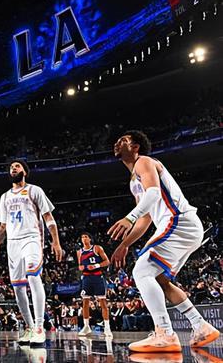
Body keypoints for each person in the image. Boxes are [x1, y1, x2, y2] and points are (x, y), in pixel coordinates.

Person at [108, 130, 220, 352]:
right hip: (181, 226)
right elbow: (146, 218)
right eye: (118, 140)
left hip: (178, 221)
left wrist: (128, 218)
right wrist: (125, 244)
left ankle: (165, 333)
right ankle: (201, 326)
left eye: (124, 141)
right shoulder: (133, 180)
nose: (118, 143)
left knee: (141, 271)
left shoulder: (144, 162)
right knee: (160, 280)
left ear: (136, 147)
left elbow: (154, 194)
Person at [0, 160, 63, 347]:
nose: (13, 168)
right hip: (13, 243)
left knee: (33, 276)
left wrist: (56, 241)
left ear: (25, 171)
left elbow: (48, 217)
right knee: (18, 288)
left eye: (17, 166)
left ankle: (39, 327)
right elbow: (3, 225)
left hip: (31, 238)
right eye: (11, 167)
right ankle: (29, 327)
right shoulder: (5, 197)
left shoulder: (34, 190)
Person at [76, 232, 113, 338]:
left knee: (103, 302)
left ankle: (107, 327)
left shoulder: (97, 248)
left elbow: (107, 261)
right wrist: (80, 268)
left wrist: (96, 265)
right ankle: (86, 326)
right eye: (82, 237)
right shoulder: (79, 252)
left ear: (90, 239)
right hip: (86, 278)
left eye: (86, 237)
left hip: (97, 277)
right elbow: (80, 266)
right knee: (85, 303)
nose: (84, 239)